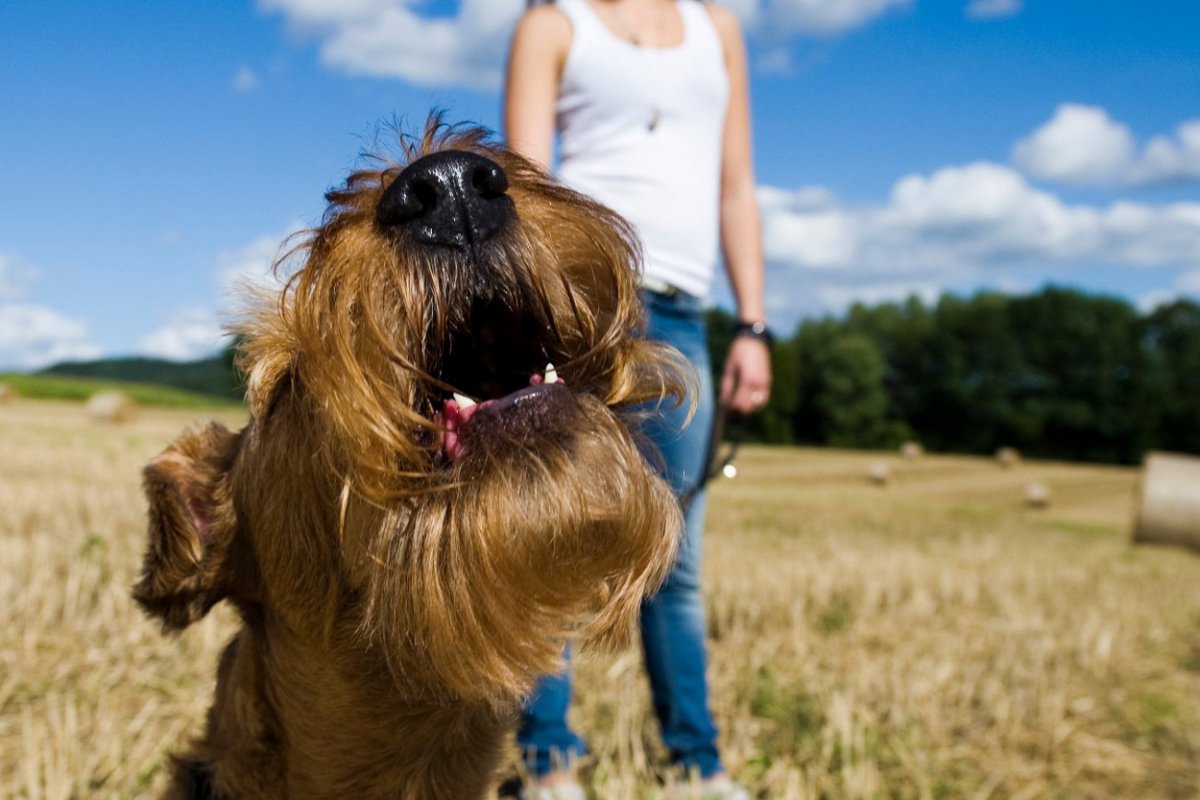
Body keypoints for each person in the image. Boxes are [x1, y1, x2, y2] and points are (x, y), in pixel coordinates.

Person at [504, 0, 772, 797]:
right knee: (550, 538)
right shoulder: (553, 25)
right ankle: (547, 764)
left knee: (677, 561)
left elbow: (736, 185)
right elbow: (527, 190)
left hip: (684, 313)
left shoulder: (715, 26)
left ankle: (697, 764)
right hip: (584, 305)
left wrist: (753, 324)